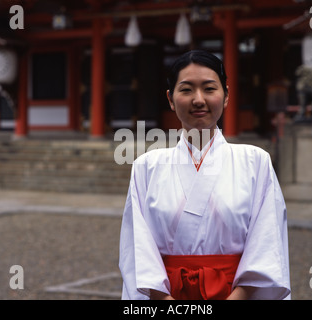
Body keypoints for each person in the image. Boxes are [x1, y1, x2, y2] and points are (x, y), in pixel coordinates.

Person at [119, 50, 291, 300]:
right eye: (186, 90)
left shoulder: (255, 162)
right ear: (170, 98)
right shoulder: (146, 167)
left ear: (226, 96)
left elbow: (267, 243)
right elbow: (136, 249)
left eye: (209, 89)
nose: (198, 99)